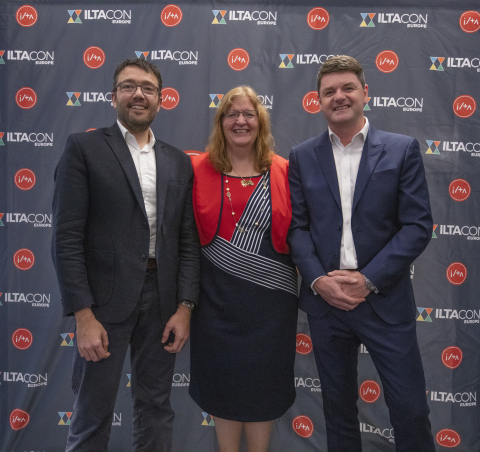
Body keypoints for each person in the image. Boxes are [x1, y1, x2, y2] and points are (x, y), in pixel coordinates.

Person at [51, 58, 200, 452]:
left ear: (161, 100)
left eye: (148, 88)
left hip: (162, 303)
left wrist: (184, 307)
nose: (139, 94)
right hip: (101, 305)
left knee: (156, 409)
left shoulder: (178, 161)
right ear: (113, 96)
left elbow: (187, 241)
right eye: (129, 86)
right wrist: (83, 316)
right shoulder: (83, 148)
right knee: (91, 414)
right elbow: (66, 239)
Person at [288, 55, 435, 452]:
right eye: (329, 91)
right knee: (337, 411)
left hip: (384, 300)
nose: (339, 96)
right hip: (327, 302)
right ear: (317, 100)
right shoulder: (302, 156)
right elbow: (297, 228)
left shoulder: (402, 150)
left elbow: (418, 225)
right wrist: (319, 281)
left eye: (348, 88)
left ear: (365, 93)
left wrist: (368, 280)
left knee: (410, 408)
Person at [189, 85, 298, 452]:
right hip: (214, 304)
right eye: (231, 114)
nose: (240, 121)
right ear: (220, 122)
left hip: (272, 309)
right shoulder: (196, 168)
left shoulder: (285, 170)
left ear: (260, 122)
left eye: (248, 114)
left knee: (264, 390)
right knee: (223, 388)